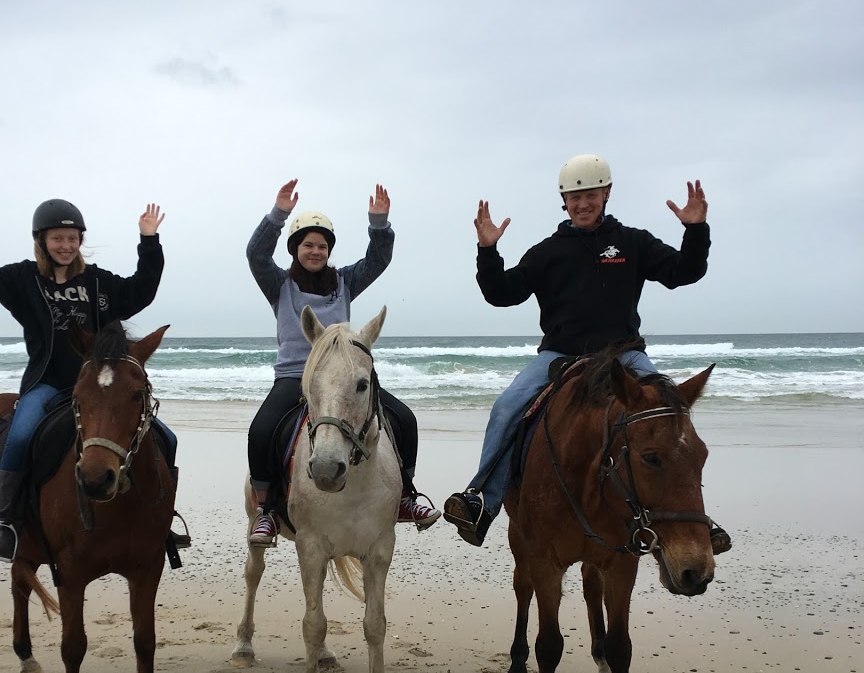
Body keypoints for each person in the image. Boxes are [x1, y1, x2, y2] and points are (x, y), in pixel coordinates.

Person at [443, 154, 731, 552]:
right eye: (574, 196)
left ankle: (695, 518)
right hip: (560, 356)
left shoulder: (632, 242)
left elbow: (684, 271)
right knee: (508, 406)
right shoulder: (547, 251)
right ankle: (482, 502)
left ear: (606, 193)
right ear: (564, 200)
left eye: (591, 194)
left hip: (625, 356)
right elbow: (501, 294)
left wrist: (695, 230)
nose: (583, 203)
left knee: (670, 408)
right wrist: (488, 251)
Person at [0, 188, 176, 562]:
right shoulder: (23, 280)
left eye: (73, 238)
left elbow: (143, 289)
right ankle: (7, 524)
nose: (66, 245)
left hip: (98, 390)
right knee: (19, 437)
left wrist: (149, 240)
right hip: (47, 384)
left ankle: (161, 520)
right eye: (58, 238)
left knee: (165, 438)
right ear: (41, 241)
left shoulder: (99, 284)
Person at [245, 178, 440, 545]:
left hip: (344, 374)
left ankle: (405, 496)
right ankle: (267, 511)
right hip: (296, 377)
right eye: (308, 245)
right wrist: (278, 214)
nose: (316, 251)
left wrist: (379, 225)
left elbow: (378, 259)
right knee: (261, 431)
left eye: (322, 246)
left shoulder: (344, 282)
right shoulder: (279, 284)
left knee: (405, 420)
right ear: (295, 249)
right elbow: (255, 255)